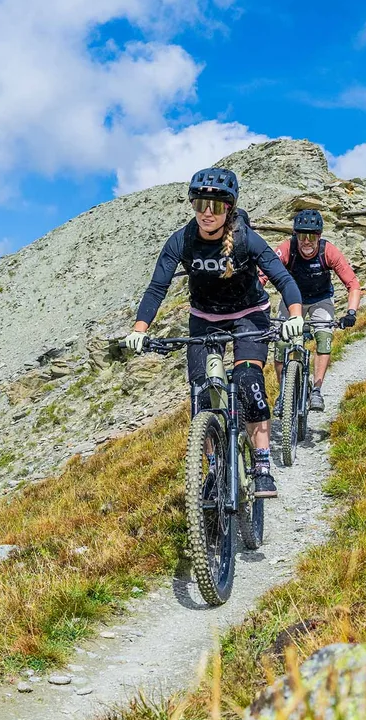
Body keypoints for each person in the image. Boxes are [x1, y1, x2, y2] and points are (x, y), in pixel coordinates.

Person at [123, 168, 305, 498]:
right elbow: (156, 289)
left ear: (229, 209)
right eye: (201, 204)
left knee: (250, 387)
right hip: (204, 320)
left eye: (217, 206)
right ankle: (213, 467)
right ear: (193, 204)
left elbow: (283, 278)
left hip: (250, 317)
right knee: (202, 398)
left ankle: (262, 465)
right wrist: (139, 329)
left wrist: (294, 315)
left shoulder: (247, 238)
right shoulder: (181, 240)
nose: (208, 212)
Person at [272, 209, 361, 411]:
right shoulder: (286, 248)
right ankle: (282, 394)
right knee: (280, 342)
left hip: (320, 299)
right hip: (291, 299)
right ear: (295, 235)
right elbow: (264, 274)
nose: (306, 241)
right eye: (302, 235)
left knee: (324, 336)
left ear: (319, 236)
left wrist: (351, 313)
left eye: (311, 236)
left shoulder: (328, 251)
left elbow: (353, 284)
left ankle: (316, 390)